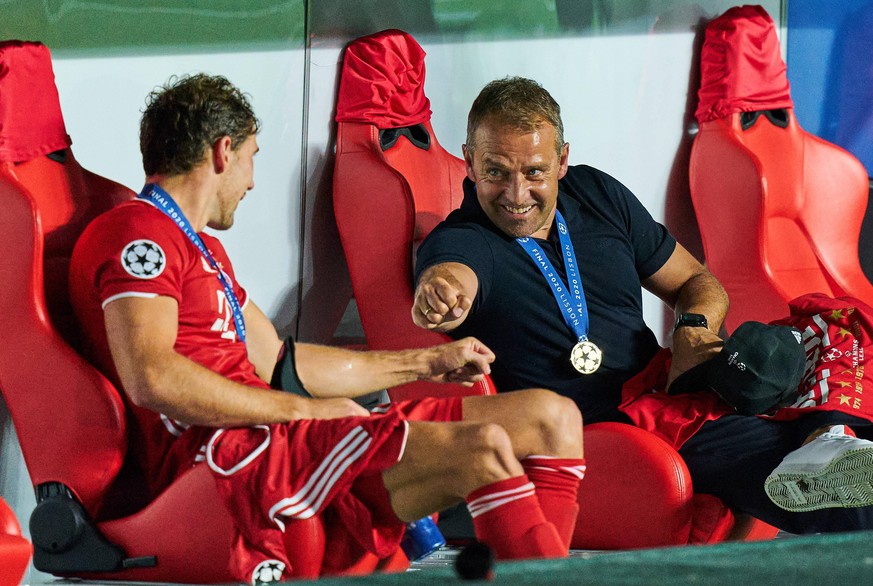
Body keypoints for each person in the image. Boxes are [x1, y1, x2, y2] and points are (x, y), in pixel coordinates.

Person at [68, 73, 586, 585]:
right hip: (230, 453)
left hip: (282, 431)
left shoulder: (204, 249)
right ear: (224, 152)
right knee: (484, 447)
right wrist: (303, 411)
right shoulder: (138, 234)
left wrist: (424, 363)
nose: (250, 181)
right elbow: (152, 377)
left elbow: (280, 363)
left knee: (551, 416)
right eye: (252, 158)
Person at [412, 75, 873, 536]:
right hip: (622, 429)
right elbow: (451, 275)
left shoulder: (596, 194)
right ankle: (830, 444)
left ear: (562, 161)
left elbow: (695, 279)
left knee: (838, 328)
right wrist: (443, 293)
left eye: (534, 172)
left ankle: (830, 436)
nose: (516, 194)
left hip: (677, 384)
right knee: (841, 487)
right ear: (470, 163)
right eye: (496, 171)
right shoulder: (462, 240)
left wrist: (692, 327)